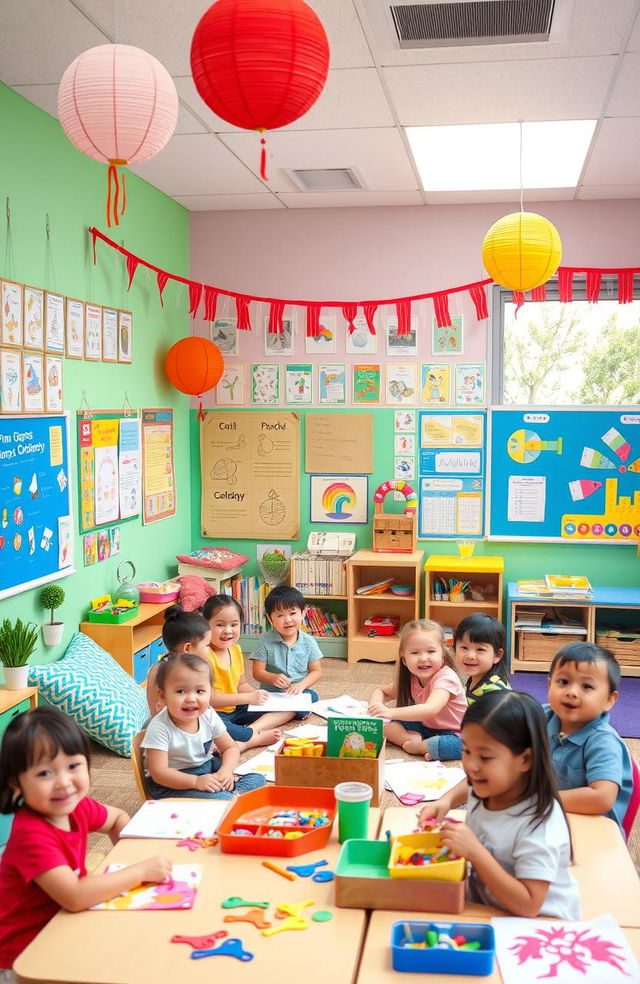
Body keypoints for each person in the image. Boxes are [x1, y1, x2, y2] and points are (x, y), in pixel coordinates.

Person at [0, 707, 171, 980]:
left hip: (64, 925)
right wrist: (138, 872)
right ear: (17, 784)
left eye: (72, 766)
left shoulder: (75, 807)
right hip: (26, 957)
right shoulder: (31, 835)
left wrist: (127, 862)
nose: (64, 783)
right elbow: (75, 896)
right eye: (45, 773)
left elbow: (117, 818)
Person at [418, 691, 580, 920]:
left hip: (538, 926)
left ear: (525, 760)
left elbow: (530, 905)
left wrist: (475, 852)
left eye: (485, 757)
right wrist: (445, 801)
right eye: (466, 751)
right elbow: (469, 785)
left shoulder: (539, 823)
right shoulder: (488, 783)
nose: (471, 766)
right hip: (489, 907)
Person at [142, 650, 266, 800]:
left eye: (200, 691)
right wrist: (196, 782)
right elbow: (159, 772)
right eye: (180, 691)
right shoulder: (160, 727)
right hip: (170, 785)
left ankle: (229, 796)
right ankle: (229, 798)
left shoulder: (208, 714)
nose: (191, 698)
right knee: (222, 798)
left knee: (258, 779)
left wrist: (225, 772)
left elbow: (230, 748)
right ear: (162, 695)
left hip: (206, 768)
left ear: (210, 693)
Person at [546, 641, 632, 831]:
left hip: (592, 829)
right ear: (549, 684)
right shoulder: (539, 717)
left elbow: (602, 798)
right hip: (547, 819)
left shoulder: (603, 741)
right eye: (563, 682)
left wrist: (540, 799)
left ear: (609, 700)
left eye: (587, 686)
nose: (572, 692)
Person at [203, 594, 294, 749]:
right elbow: (210, 699)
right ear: (205, 626)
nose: (228, 631)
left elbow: (241, 683)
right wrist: (247, 697)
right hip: (213, 714)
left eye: (234, 624)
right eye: (219, 625)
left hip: (237, 708)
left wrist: (261, 697)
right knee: (219, 730)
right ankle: (250, 739)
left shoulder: (236, 649)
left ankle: (253, 730)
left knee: (291, 708)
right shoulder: (205, 656)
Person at [368, 619, 466, 760]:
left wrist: (389, 711)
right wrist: (375, 707)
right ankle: (409, 738)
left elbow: (430, 709)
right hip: (426, 727)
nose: (423, 658)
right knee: (381, 725)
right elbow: (381, 691)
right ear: (404, 658)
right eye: (415, 653)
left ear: (442, 654)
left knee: (453, 746)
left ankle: (418, 746)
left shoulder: (446, 678)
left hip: (457, 734)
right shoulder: (411, 678)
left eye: (431, 651)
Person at [249, 586, 322, 717]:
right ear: (270, 619)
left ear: (303, 614)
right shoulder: (264, 641)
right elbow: (257, 673)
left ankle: (285, 712)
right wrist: (273, 678)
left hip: (297, 693)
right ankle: (287, 713)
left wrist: (301, 686)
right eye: (280, 615)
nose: (288, 620)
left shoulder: (309, 641)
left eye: (293, 613)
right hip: (271, 694)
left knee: (313, 696)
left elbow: (316, 671)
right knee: (251, 708)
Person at [146, 605, 213, 716]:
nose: (209, 649)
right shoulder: (185, 671)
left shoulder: (157, 668)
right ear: (187, 648)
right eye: (207, 645)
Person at [453, 613, 511, 704]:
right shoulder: (475, 680)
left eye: (480, 649)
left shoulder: (494, 694)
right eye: (464, 648)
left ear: (497, 655)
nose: (470, 656)